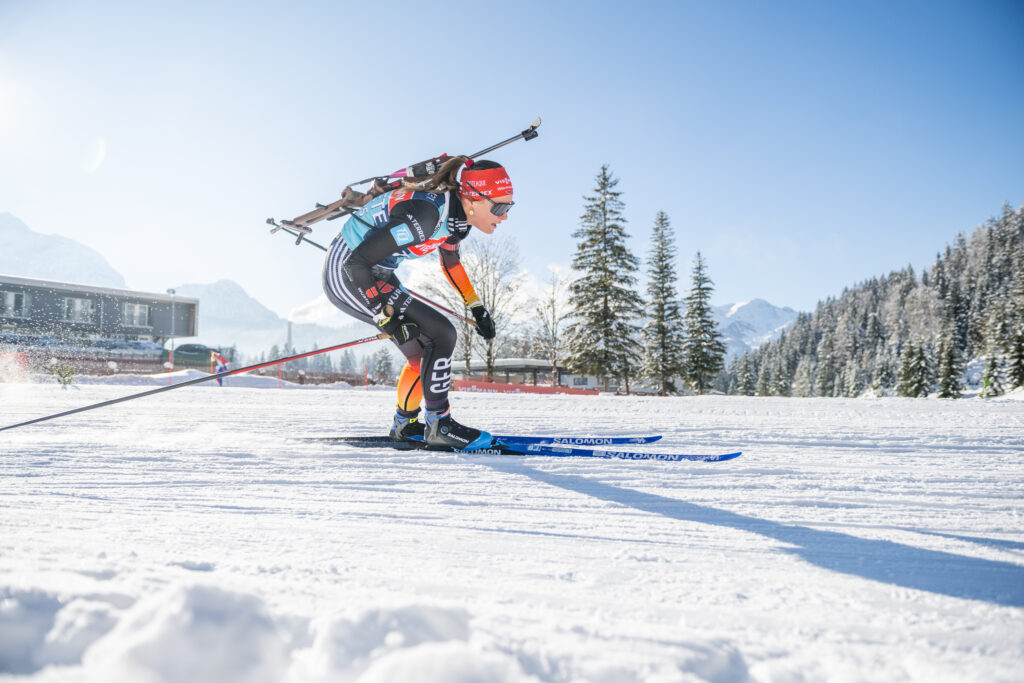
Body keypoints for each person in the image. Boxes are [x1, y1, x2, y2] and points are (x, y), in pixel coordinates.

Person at [321, 160, 512, 450]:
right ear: (473, 198)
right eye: (499, 207)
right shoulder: (424, 217)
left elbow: (450, 262)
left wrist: (476, 307)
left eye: (510, 206)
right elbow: (355, 263)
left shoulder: (457, 220)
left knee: (422, 351)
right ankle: (440, 424)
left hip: (374, 272)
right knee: (441, 333)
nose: (505, 215)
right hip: (347, 273)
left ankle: (405, 426)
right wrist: (384, 317)